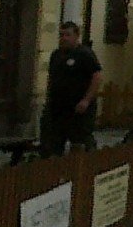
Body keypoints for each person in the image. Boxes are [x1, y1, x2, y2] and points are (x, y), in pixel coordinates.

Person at [42, 21, 103, 158]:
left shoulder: (84, 54)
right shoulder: (56, 55)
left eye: (68, 35)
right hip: (58, 109)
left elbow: (97, 76)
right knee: (53, 143)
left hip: (78, 109)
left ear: (76, 36)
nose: (64, 38)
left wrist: (86, 100)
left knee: (81, 141)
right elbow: (51, 78)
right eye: (62, 35)